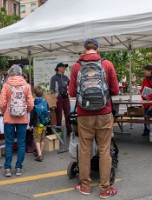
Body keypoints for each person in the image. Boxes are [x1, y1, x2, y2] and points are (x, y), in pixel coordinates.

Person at [68, 38, 119, 198]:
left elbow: (71, 93)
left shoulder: (77, 66)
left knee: (84, 150)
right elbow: (115, 90)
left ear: (84, 49)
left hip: (84, 114)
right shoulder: (107, 64)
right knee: (104, 150)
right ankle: (105, 190)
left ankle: (85, 186)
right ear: (97, 48)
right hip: (104, 113)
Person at [0, 64, 34, 177]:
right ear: (20, 73)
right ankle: (19, 168)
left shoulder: (6, 85)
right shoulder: (27, 86)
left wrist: (5, 111)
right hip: (22, 119)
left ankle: (8, 169)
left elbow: (2, 103)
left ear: (10, 73)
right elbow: (31, 104)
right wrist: (25, 111)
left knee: (9, 143)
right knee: (21, 143)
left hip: (9, 118)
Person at [50, 62, 72, 134]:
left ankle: (69, 129)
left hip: (66, 98)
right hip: (58, 98)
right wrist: (57, 95)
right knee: (59, 114)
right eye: (63, 67)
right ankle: (59, 129)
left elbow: (70, 86)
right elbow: (52, 89)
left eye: (65, 67)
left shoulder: (66, 77)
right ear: (59, 68)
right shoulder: (54, 78)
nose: (65, 69)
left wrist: (68, 92)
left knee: (68, 113)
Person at [29, 86, 49, 162]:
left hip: (37, 125)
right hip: (43, 124)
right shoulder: (45, 102)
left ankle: (39, 155)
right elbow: (48, 113)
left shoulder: (34, 103)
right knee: (42, 138)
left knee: (37, 139)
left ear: (34, 94)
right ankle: (40, 152)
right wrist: (48, 122)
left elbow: (32, 115)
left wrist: (30, 125)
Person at [140, 65, 152, 136]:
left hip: (150, 102)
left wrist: (149, 97)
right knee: (146, 115)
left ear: (150, 71)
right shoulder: (145, 80)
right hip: (146, 102)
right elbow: (142, 90)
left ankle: (148, 130)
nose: (144, 72)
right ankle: (146, 130)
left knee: (148, 114)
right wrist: (143, 96)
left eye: (145, 70)